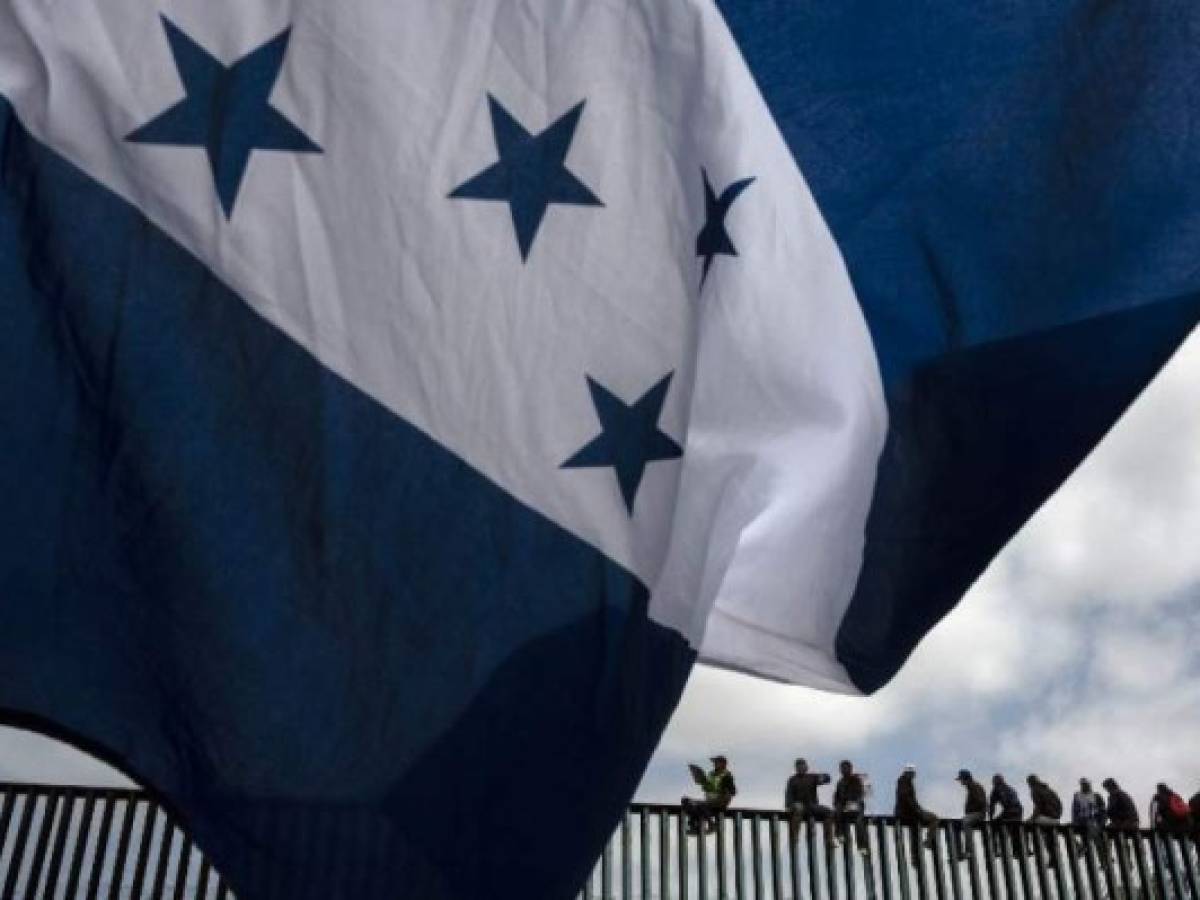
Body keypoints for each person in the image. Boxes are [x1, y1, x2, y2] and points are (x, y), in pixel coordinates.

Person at [682, 755, 736, 834]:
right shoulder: (711, 774)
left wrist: (724, 794)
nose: (714, 764)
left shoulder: (727, 776)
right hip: (709, 801)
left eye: (716, 762)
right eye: (714, 763)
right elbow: (709, 788)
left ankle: (711, 825)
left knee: (701, 806)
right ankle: (694, 827)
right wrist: (702, 781)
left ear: (723, 764)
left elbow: (732, 792)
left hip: (719, 803)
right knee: (686, 801)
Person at [895, 765, 938, 862]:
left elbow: (908, 798)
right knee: (934, 818)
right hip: (908, 813)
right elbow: (906, 798)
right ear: (909, 774)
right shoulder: (904, 782)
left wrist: (918, 808)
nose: (914, 776)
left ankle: (915, 857)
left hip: (907, 812)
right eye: (913, 774)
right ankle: (928, 841)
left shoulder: (904, 782)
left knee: (914, 833)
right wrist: (917, 810)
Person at [785, 758, 834, 844]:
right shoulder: (792, 780)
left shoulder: (812, 777)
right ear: (796, 768)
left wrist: (823, 777)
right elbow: (788, 796)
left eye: (802, 766)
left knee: (829, 812)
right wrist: (791, 805)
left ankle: (829, 839)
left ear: (806, 767)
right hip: (798, 806)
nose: (800, 768)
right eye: (798, 766)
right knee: (798, 810)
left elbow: (827, 778)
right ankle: (794, 837)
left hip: (812, 805)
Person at [832, 759, 870, 855]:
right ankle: (839, 835)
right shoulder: (840, 782)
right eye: (842, 768)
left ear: (850, 769)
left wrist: (851, 802)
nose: (844, 770)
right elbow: (836, 796)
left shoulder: (856, 779)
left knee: (859, 823)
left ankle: (862, 846)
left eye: (845, 768)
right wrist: (838, 804)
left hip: (856, 805)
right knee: (837, 813)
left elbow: (861, 794)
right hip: (843, 807)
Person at [1026, 775, 1063, 860]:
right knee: (1048, 837)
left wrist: (1031, 818)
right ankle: (1054, 858)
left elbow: (1039, 806)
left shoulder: (1035, 790)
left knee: (1026, 826)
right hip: (1055, 817)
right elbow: (1058, 803)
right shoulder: (1048, 789)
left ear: (1030, 783)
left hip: (1047, 818)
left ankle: (1026, 849)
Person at [955, 769, 988, 860]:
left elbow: (981, 802)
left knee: (966, 822)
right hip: (974, 813)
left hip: (978, 814)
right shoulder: (971, 787)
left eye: (961, 779)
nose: (960, 782)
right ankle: (959, 852)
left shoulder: (974, 786)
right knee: (957, 825)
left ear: (966, 779)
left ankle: (969, 851)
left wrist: (971, 810)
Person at [989, 774, 1026, 855]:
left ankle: (996, 849)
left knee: (994, 826)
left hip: (1010, 811)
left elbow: (992, 806)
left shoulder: (997, 789)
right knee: (1015, 829)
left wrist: (990, 818)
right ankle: (1019, 849)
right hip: (1018, 811)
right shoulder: (1010, 788)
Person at [1071, 778, 1107, 851]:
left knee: (1094, 832)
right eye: (1083, 784)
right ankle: (1080, 847)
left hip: (1093, 820)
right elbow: (1074, 810)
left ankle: (1103, 852)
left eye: (1086, 784)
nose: (1085, 786)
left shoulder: (1096, 796)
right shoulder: (1077, 796)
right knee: (1069, 830)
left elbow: (1103, 810)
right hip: (1081, 820)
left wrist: (1102, 823)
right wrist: (1074, 821)